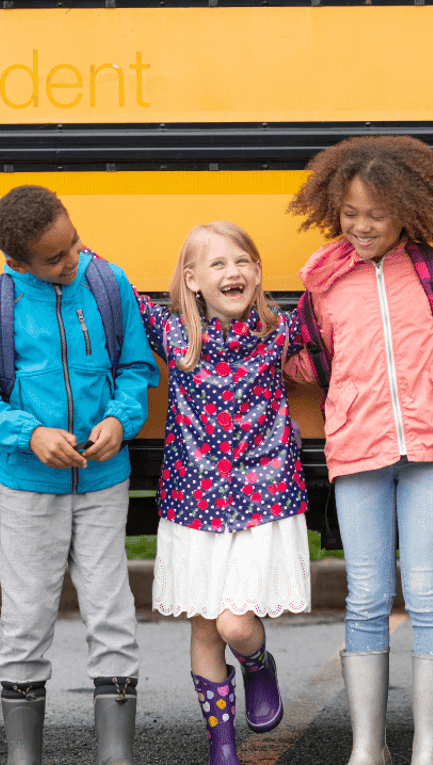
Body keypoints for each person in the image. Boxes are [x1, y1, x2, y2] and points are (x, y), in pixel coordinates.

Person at [285, 135, 433, 765]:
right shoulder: (323, 278)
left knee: (427, 593)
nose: (362, 226)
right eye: (350, 213)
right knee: (366, 595)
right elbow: (309, 361)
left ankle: (430, 747)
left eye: (376, 214)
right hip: (358, 446)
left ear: (407, 211)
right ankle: (368, 744)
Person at [0, 185, 159, 765]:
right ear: (18, 262)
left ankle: (114, 755)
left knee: (112, 616)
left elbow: (135, 367)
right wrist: (30, 434)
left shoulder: (106, 282)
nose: (72, 260)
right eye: (56, 258)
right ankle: (25, 757)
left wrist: (122, 417)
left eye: (73, 244)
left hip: (103, 482)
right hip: (27, 487)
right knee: (25, 623)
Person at [128, 222, 311, 765]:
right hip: (194, 500)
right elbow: (115, 289)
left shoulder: (278, 330)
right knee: (205, 627)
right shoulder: (177, 336)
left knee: (234, 623)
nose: (233, 272)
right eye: (217, 265)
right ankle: (222, 745)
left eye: (243, 262)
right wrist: (65, 247)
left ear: (257, 273)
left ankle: (257, 664)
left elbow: (330, 299)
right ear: (192, 280)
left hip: (263, 496)